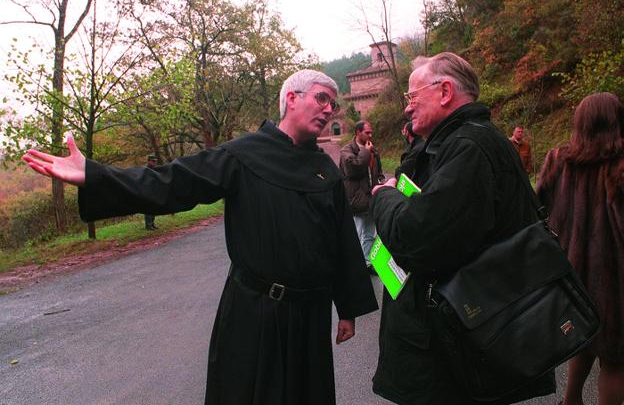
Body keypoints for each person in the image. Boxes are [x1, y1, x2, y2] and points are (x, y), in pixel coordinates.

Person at [22, 69, 378, 405]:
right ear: (291, 98)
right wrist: (95, 176)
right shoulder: (243, 154)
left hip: (309, 315)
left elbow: (341, 241)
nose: (329, 108)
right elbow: (171, 182)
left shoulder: (323, 169)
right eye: (321, 98)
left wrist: (347, 309)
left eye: (332, 102)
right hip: (254, 312)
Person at [369, 52, 555, 405]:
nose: (406, 108)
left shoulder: (470, 148)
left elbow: (416, 239)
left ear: (444, 92)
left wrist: (384, 196)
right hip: (452, 340)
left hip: (457, 352)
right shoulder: (449, 144)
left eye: (411, 96)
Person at [536, 92, 624, 405]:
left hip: (570, 276)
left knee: (585, 340)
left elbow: (538, 213)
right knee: (615, 360)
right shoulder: (618, 169)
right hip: (613, 283)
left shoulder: (557, 160)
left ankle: (570, 401)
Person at [339, 121, 384, 270]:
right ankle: (354, 266)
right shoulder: (347, 150)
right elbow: (354, 169)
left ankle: (367, 263)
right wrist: (366, 151)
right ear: (358, 133)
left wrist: (380, 180)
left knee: (370, 234)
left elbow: (378, 169)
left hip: (371, 198)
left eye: (371, 132)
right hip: (356, 200)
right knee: (357, 233)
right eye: (367, 132)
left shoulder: (372, 149)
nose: (370, 135)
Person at [144, 155, 158, 230]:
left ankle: (152, 223)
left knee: (153, 208)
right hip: (147, 191)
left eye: (155, 161)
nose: (154, 162)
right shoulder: (145, 170)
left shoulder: (154, 169)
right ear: (148, 161)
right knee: (148, 209)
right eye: (153, 161)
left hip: (153, 191)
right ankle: (148, 225)